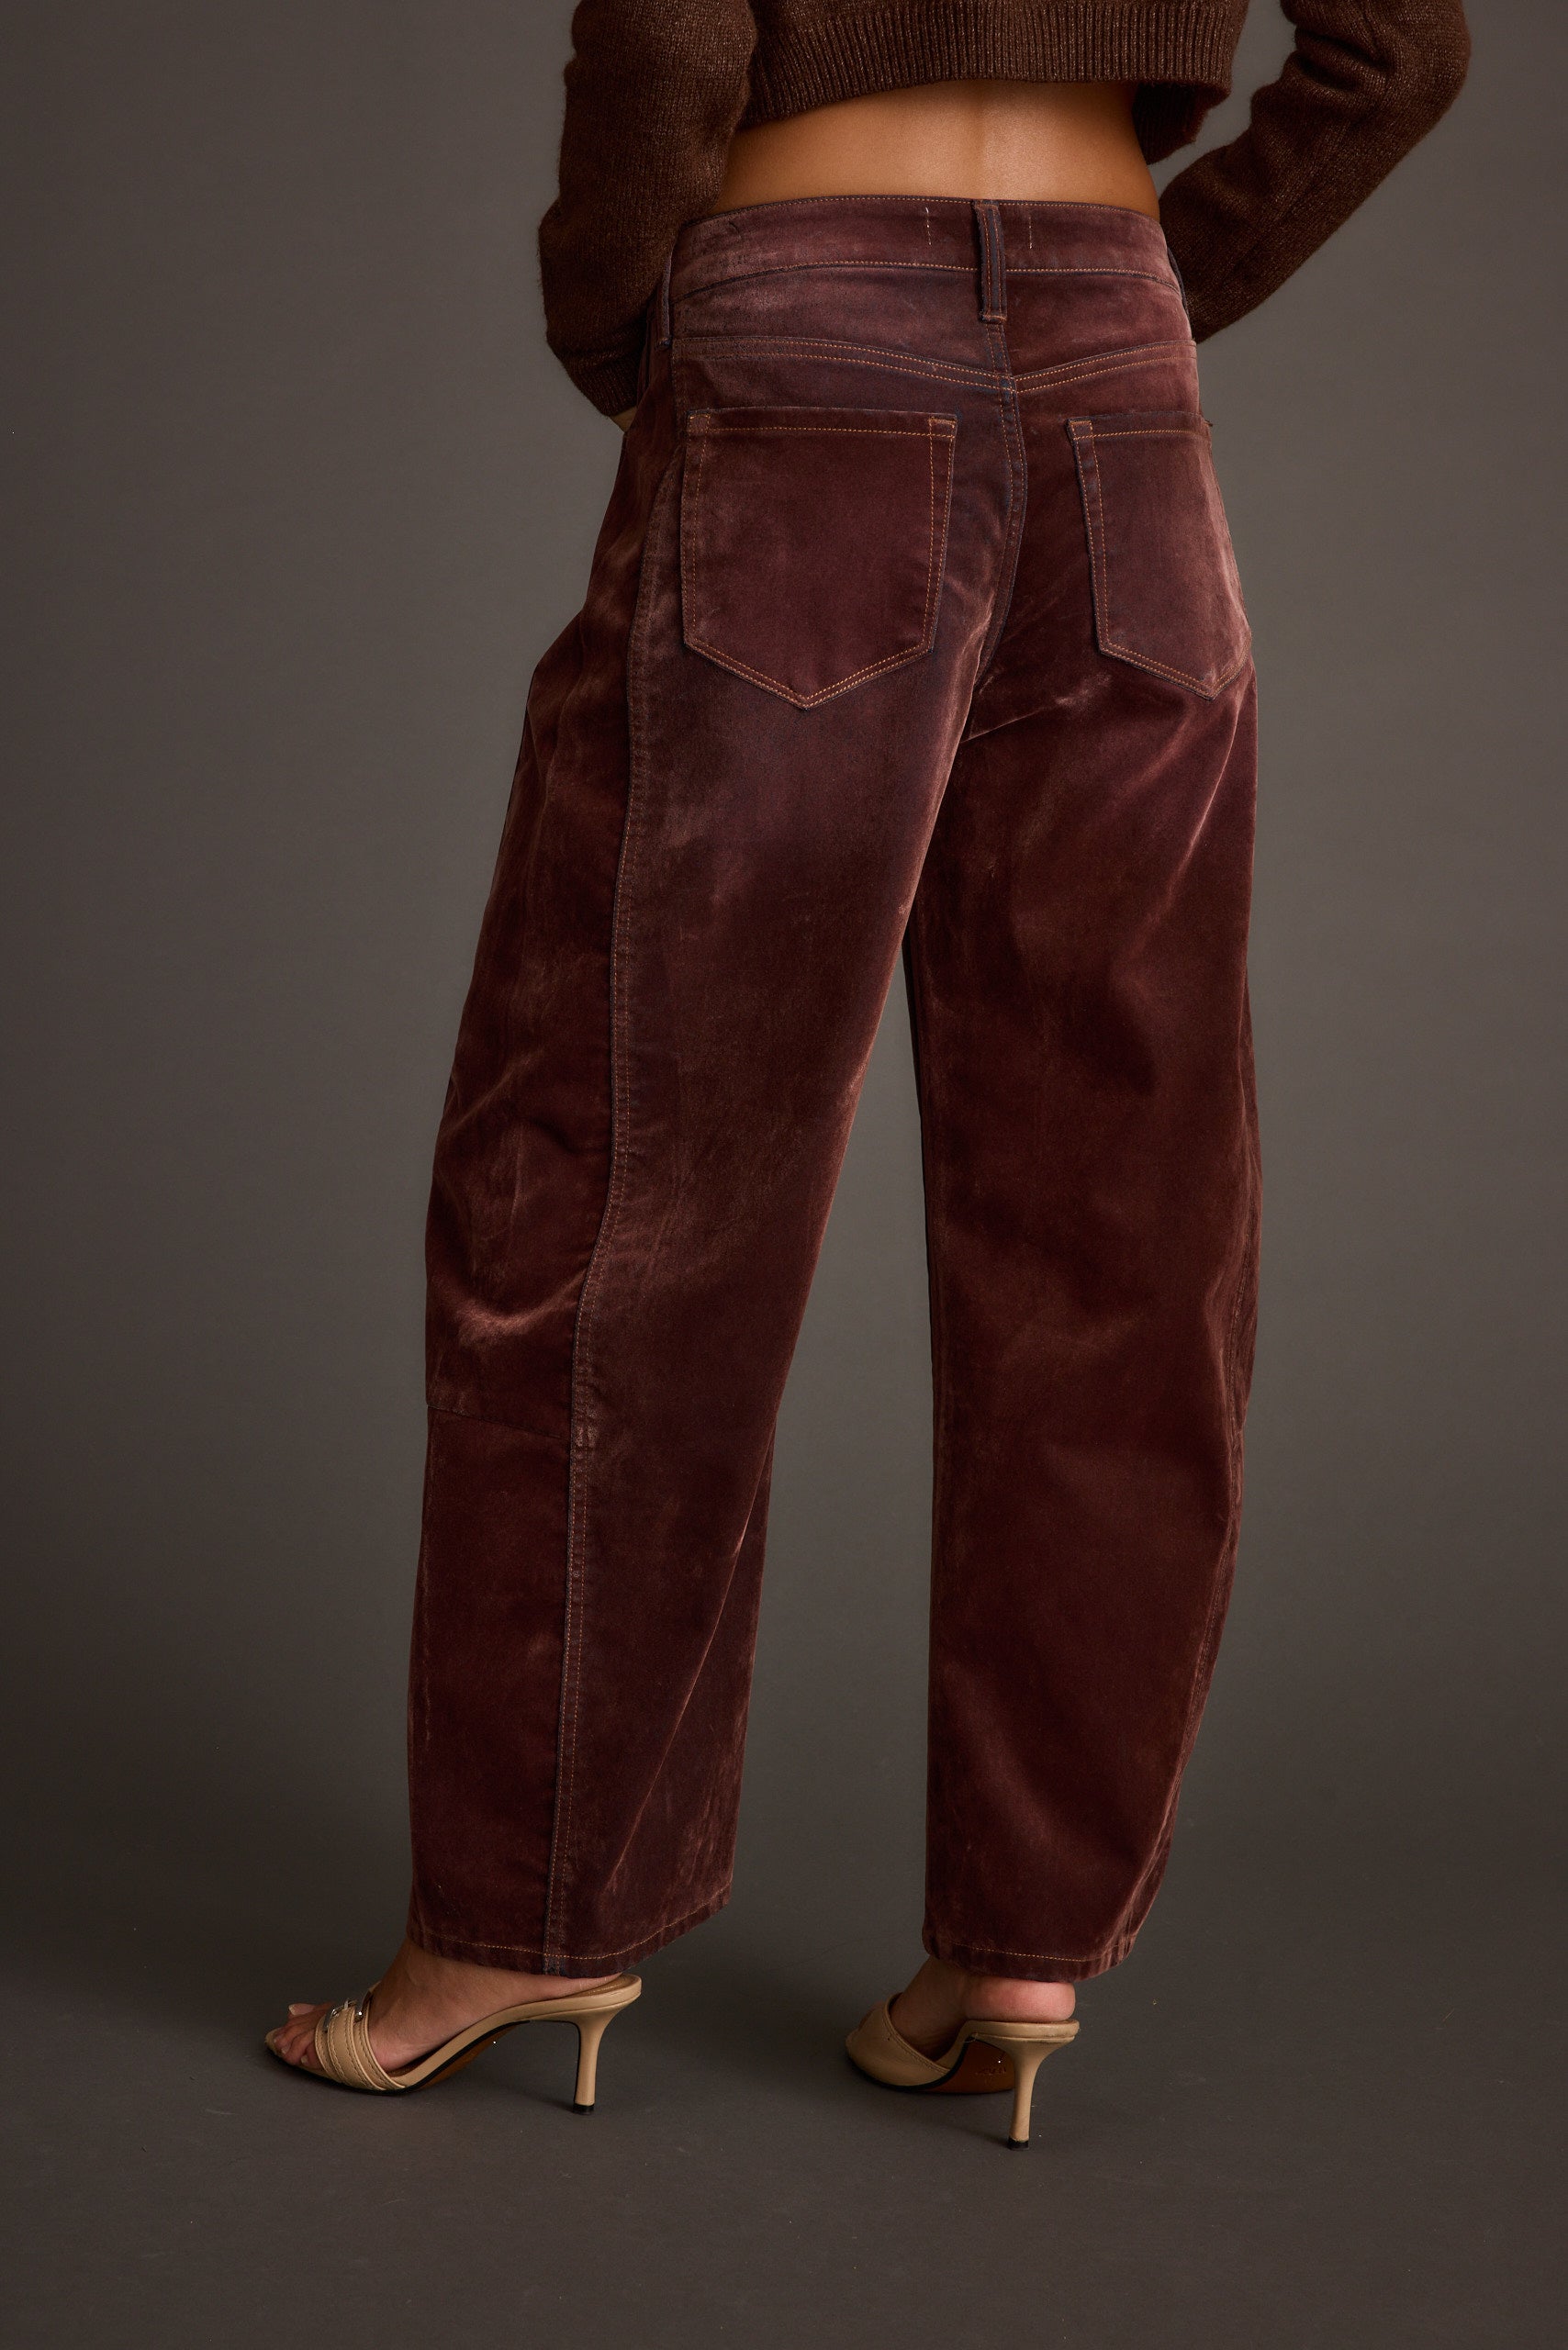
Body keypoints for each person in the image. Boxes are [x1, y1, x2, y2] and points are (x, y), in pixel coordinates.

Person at [267, 1, 1470, 2143]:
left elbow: (673, 28)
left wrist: (637, 316)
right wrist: (1145, 285)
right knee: (1112, 1220)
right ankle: (1019, 1946)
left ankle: (524, 1916)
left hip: (804, 343)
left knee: (625, 1180)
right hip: (1121, 385)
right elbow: (1403, 46)